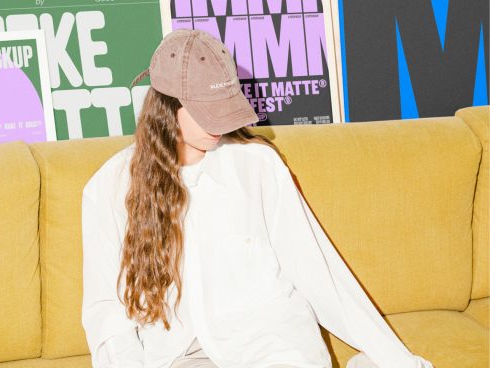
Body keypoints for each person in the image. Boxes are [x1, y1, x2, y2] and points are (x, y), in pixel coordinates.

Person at [81, 29, 435, 368]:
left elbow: (319, 273)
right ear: (167, 107)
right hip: (182, 358)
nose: (220, 122)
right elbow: (106, 314)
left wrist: (398, 360)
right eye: (208, 108)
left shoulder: (257, 166)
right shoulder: (108, 188)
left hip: (271, 347)